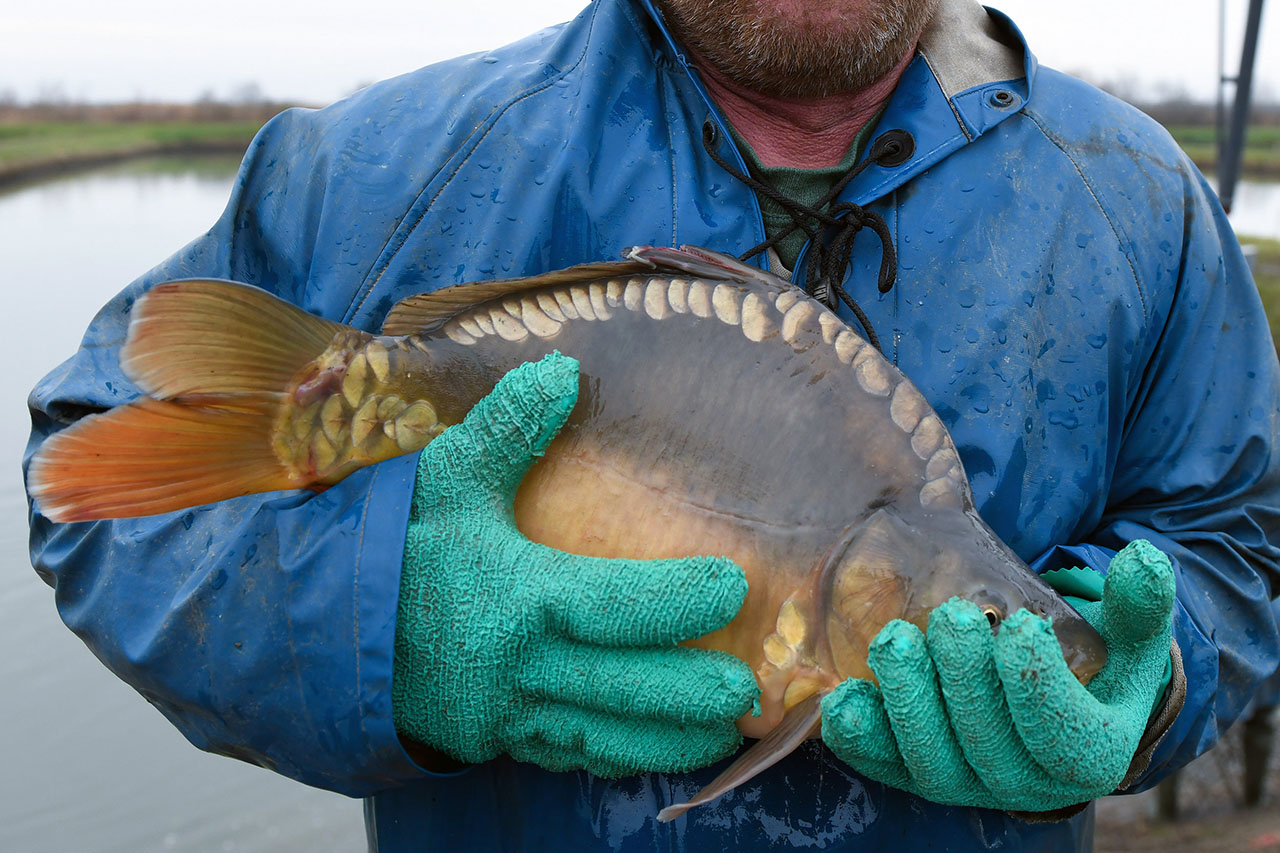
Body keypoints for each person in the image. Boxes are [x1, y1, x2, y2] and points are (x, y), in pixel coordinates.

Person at [24, 0, 1280, 849]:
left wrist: (1149, 673)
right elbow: (92, 465)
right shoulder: (392, 169)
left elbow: (1243, 537)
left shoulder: (1137, 203)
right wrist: (372, 619)